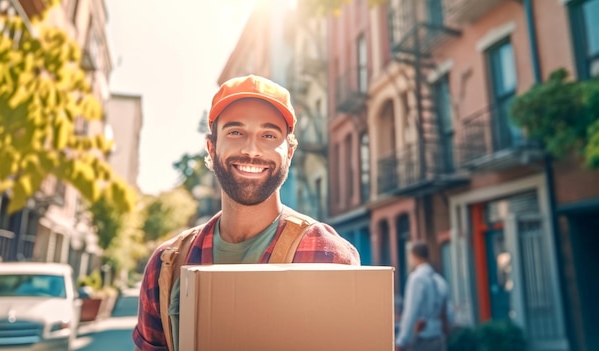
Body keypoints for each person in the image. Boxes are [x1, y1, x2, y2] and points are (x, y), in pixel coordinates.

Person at [133, 75, 361, 351]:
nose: (252, 150)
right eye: (235, 132)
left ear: (289, 152)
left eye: (268, 135)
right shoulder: (165, 265)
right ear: (211, 147)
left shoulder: (328, 256)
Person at [396, 241, 454, 351]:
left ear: (413, 256)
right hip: (438, 336)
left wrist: (401, 340)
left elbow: (411, 312)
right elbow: (448, 312)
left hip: (422, 336)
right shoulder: (439, 280)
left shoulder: (416, 279)